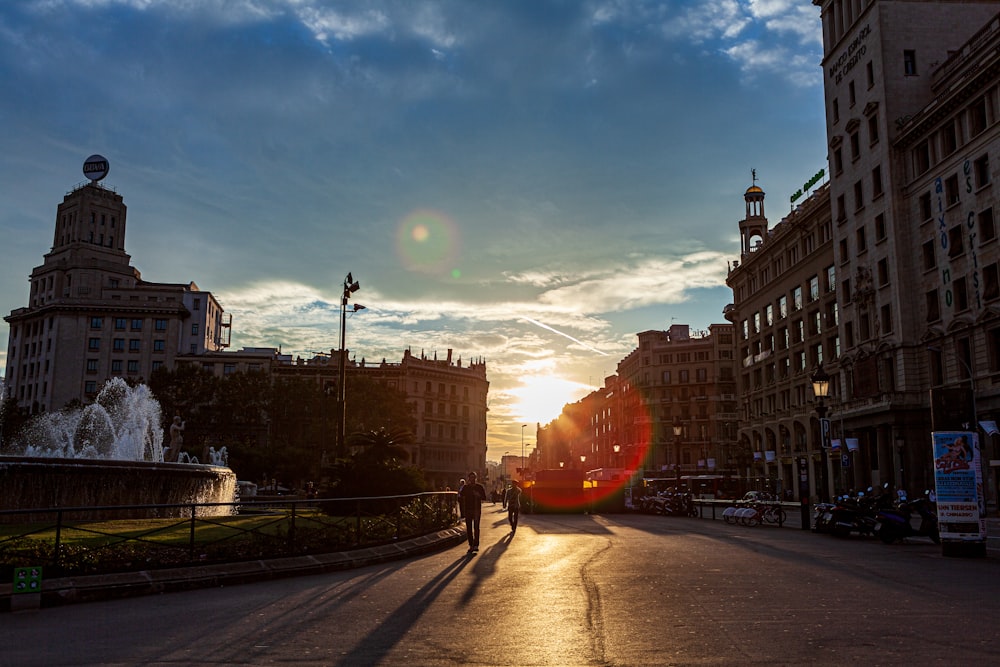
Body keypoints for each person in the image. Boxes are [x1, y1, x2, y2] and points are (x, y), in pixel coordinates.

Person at [457, 471, 487, 553]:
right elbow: (461, 496)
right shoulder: (466, 487)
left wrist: (478, 495)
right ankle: (471, 545)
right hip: (468, 509)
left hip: (477, 510)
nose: (472, 479)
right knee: (469, 528)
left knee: (476, 527)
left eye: (474, 477)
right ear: (469, 478)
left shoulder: (479, 487)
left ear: (476, 478)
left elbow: (484, 497)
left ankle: (476, 545)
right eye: (471, 477)